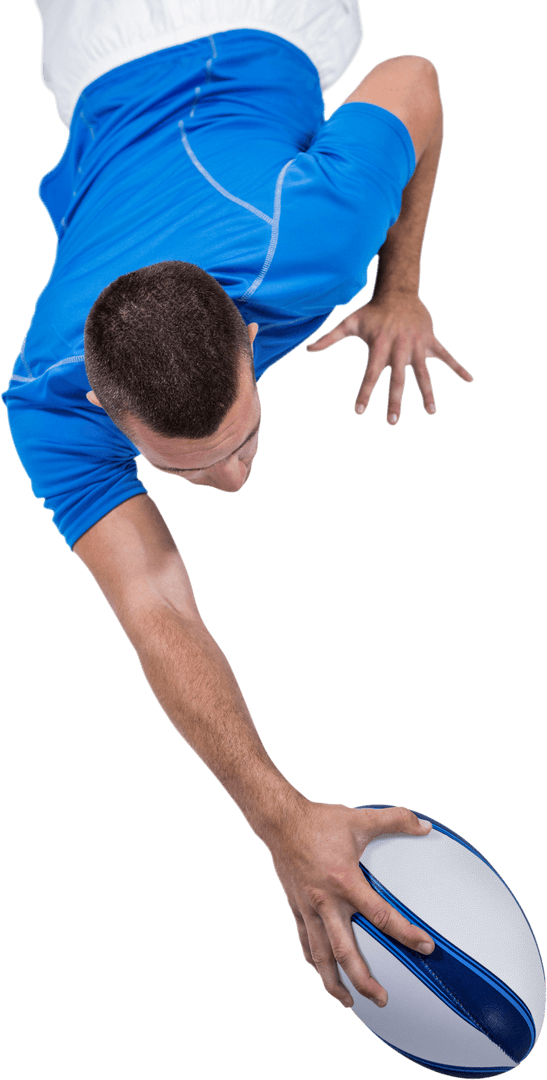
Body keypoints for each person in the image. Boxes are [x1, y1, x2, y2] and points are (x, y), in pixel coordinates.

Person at [2, 2, 474, 1012]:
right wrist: (280, 817)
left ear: (253, 341)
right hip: (92, 59)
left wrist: (400, 287)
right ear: (101, 405)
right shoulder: (47, 394)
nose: (229, 482)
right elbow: (155, 610)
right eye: (187, 467)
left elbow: (418, 80)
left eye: (240, 441)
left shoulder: (310, 248)